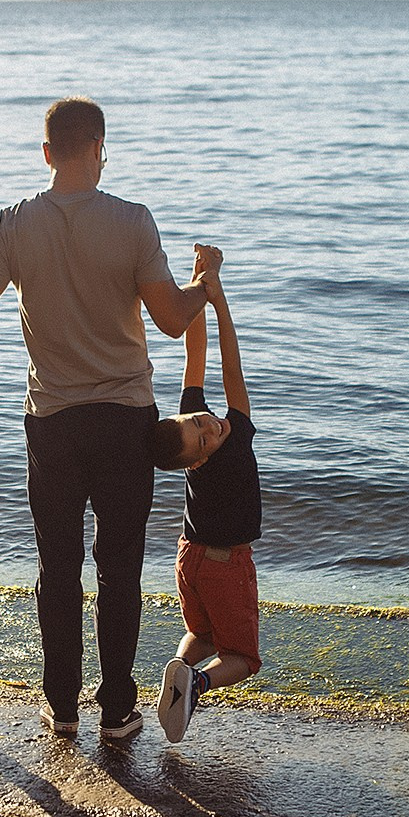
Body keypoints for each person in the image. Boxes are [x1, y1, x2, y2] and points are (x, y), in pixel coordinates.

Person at [0, 96, 221, 739]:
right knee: (119, 566)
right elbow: (174, 321)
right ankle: (117, 710)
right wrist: (207, 281)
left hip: (54, 422)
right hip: (125, 419)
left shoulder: (13, 225)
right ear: (98, 147)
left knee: (56, 565)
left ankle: (62, 705)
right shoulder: (133, 221)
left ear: (46, 153)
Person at [148, 271, 261, 741]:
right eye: (205, 434)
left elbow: (196, 353)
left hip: (189, 560)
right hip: (223, 564)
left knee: (202, 633)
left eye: (202, 420)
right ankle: (196, 682)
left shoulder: (186, 443)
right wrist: (219, 301)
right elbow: (230, 367)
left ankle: (180, 670)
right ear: (199, 457)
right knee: (242, 658)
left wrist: (199, 283)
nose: (213, 425)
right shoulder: (233, 447)